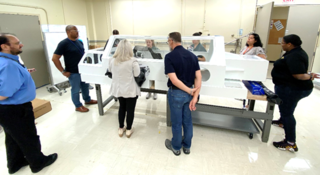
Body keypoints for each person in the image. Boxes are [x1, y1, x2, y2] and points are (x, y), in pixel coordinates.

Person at [0, 33, 58, 174]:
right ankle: (38, 163)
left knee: (13, 138)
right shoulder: (8, 65)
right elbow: (4, 94)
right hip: (16, 109)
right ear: (4, 46)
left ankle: (15, 164)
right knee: (28, 137)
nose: (21, 44)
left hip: (8, 110)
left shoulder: (7, 60)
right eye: (17, 42)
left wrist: (24, 73)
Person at [271, 34, 320, 152]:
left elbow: (298, 75)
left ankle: (290, 142)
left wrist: (309, 76)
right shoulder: (295, 52)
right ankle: (282, 121)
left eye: (283, 43)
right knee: (286, 108)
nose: (281, 44)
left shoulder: (295, 55)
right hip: (288, 87)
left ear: (289, 44)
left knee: (287, 112)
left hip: (292, 89)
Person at [164, 32, 202, 156]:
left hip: (176, 94)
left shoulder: (169, 57)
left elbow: (174, 80)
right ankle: (187, 146)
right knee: (187, 121)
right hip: (189, 94)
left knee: (176, 122)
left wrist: (191, 91)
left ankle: (176, 147)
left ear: (171, 41)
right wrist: (194, 95)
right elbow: (198, 77)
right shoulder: (192, 56)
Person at [52, 25, 97, 112]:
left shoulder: (79, 42)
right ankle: (78, 105)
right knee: (76, 89)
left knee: (85, 86)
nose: (77, 32)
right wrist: (63, 71)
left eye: (77, 30)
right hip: (73, 71)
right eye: (75, 30)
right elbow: (54, 58)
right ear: (68, 32)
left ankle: (87, 100)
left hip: (83, 70)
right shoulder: (63, 44)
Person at [109, 39, 140, 138]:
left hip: (119, 89)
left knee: (122, 107)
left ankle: (121, 128)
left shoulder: (112, 60)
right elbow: (137, 74)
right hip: (130, 90)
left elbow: (110, 71)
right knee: (130, 110)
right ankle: (129, 130)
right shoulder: (133, 61)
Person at [239, 33, 267, 108]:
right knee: (244, 84)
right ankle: (243, 99)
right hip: (244, 68)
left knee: (249, 85)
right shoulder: (245, 47)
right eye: (248, 38)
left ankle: (249, 103)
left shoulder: (258, 49)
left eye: (251, 38)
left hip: (251, 70)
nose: (248, 39)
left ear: (255, 40)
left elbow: (263, 59)